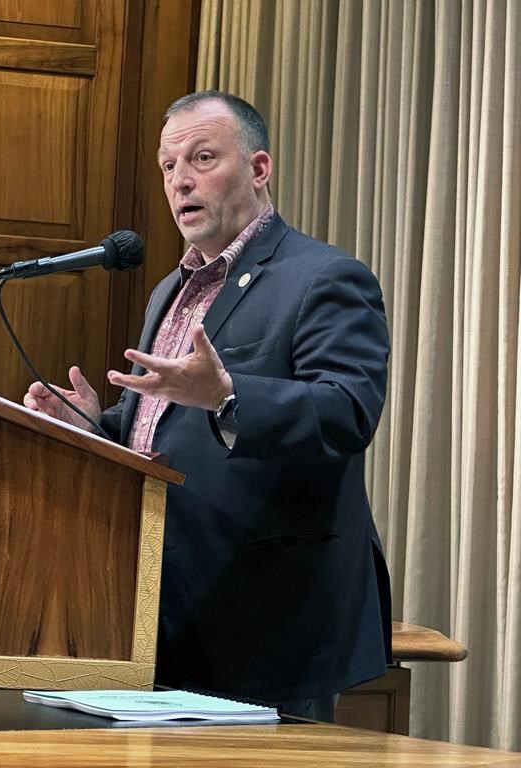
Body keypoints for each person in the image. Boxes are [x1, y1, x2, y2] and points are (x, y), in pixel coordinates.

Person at [24, 91, 392, 721]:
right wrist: (96, 424)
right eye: (169, 167)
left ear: (258, 168)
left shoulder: (324, 277)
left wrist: (229, 394)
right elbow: (166, 431)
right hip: (155, 611)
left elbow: (347, 410)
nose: (180, 181)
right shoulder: (171, 289)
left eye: (201, 158)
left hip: (264, 625)